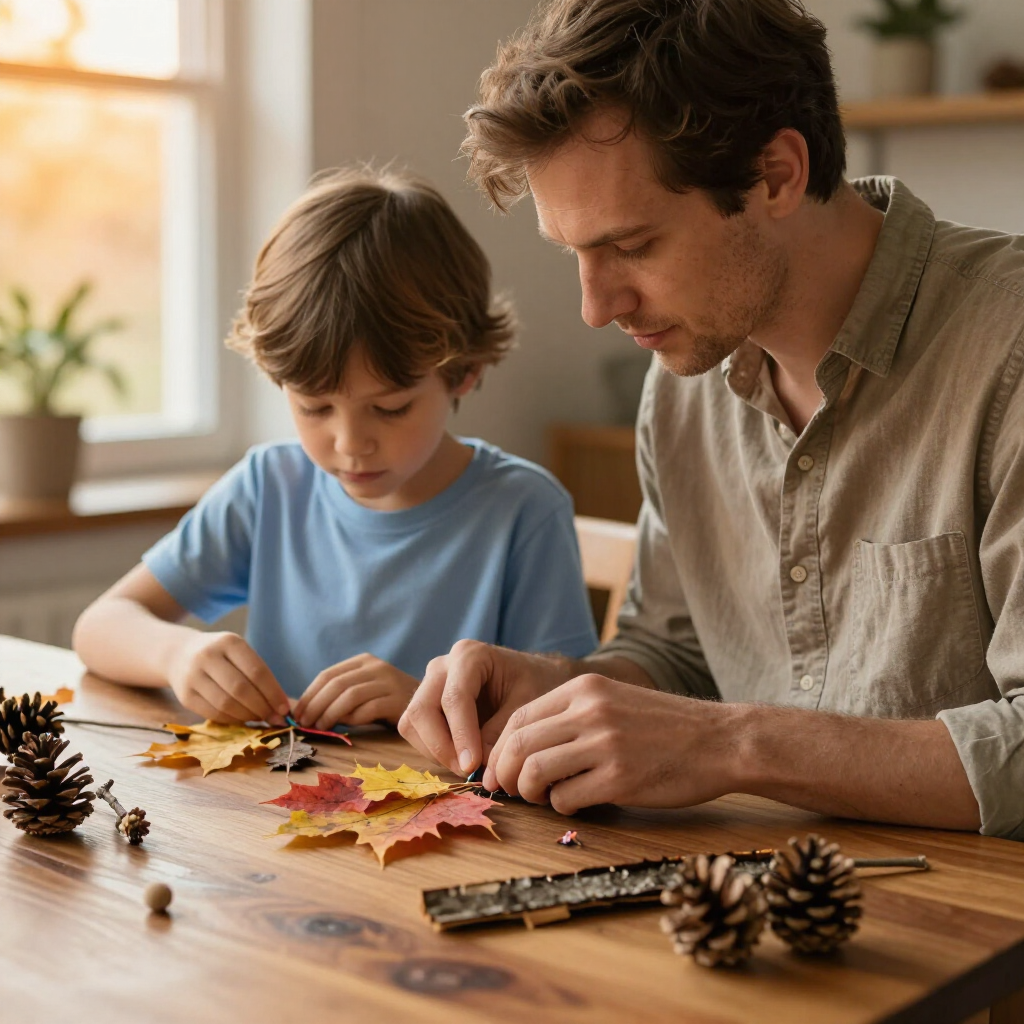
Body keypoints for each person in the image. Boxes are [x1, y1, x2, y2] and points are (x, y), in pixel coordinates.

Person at [398, 0, 1024, 841]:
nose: (595, 307)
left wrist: (738, 743)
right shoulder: (683, 381)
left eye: (632, 245)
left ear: (775, 175)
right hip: (743, 908)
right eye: (573, 254)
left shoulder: (1006, 350)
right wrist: (557, 688)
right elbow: (678, 654)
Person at [72, 167, 598, 731]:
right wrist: (175, 655)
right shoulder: (269, 487)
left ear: (463, 372)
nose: (350, 444)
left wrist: (423, 703)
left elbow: (564, 710)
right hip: (269, 808)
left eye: (391, 408)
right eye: (314, 408)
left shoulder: (522, 509)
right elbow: (99, 625)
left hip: (445, 811)